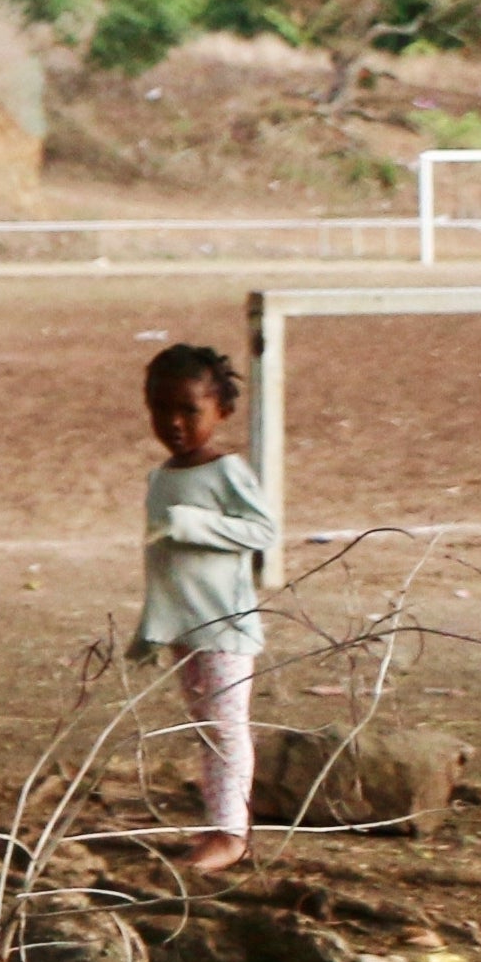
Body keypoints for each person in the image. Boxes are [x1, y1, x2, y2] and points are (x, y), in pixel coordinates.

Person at [132, 340, 277, 875]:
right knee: (205, 726)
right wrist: (150, 627)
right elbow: (165, 566)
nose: (173, 423)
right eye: (160, 408)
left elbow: (263, 531)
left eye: (189, 410)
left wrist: (195, 523)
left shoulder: (225, 472)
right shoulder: (162, 477)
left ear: (222, 411)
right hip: (183, 627)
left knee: (225, 727)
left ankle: (230, 834)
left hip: (224, 624)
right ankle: (219, 824)